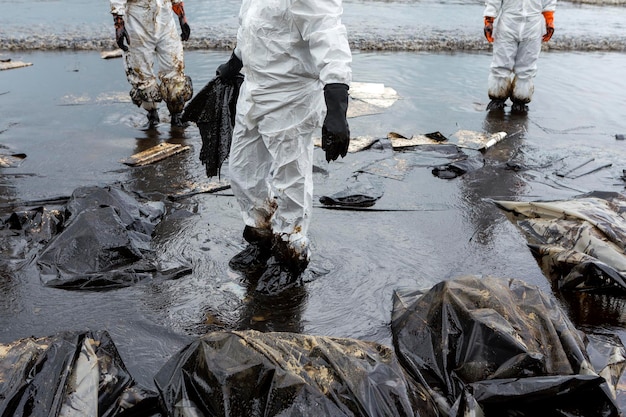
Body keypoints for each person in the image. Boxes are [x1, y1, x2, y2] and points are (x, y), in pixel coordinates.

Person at [215, 0, 352, 294]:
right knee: (242, 172)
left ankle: (291, 255)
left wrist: (337, 107)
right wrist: (234, 62)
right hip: (254, 89)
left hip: (290, 96)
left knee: (291, 179)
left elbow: (328, 34)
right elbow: (252, 26)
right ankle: (262, 239)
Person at [111, 0, 193, 128]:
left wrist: (182, 18)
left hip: (165, 18)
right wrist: (119, 23)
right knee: (142, 77)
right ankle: (152, 114)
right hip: (137, 21)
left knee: (175, 71)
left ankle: (176, 115)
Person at [483, 0, 556, 112]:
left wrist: (549, 19)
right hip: (508, 24)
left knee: (527, 66)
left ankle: (520, 101)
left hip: (533, 25)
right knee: (501, 63)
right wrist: (489, 19)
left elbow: (549, 1)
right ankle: (497, 99)